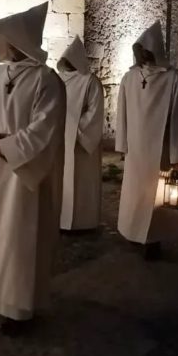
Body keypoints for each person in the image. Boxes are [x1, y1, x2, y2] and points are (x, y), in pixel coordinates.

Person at [0, 2, 66, 336]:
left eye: (6, 37)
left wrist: (5, 147)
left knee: (20, 238)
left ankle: (21, 308)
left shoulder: (47, 81)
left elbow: (44, 129)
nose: (2, 43)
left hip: (24, 178)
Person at [116, 21, 178, 260]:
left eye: (146, 51)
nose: (142, 55)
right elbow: (122, 113)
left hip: (161, 150)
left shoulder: (175, 79)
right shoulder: (129, 78)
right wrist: (123, 144)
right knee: (136, 194)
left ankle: (153, 240)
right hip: (137, 151)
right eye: (139, 51)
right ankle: (133, 231)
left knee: (158, 198)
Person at [57, 36, 104, 232]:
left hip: (80, 144)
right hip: (59, 140)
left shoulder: (90, 82)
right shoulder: (57, 79)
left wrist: (75, 130)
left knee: (81, 182)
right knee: (61, 180)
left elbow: (95, 112)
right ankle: (60, 220)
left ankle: (83, 222)